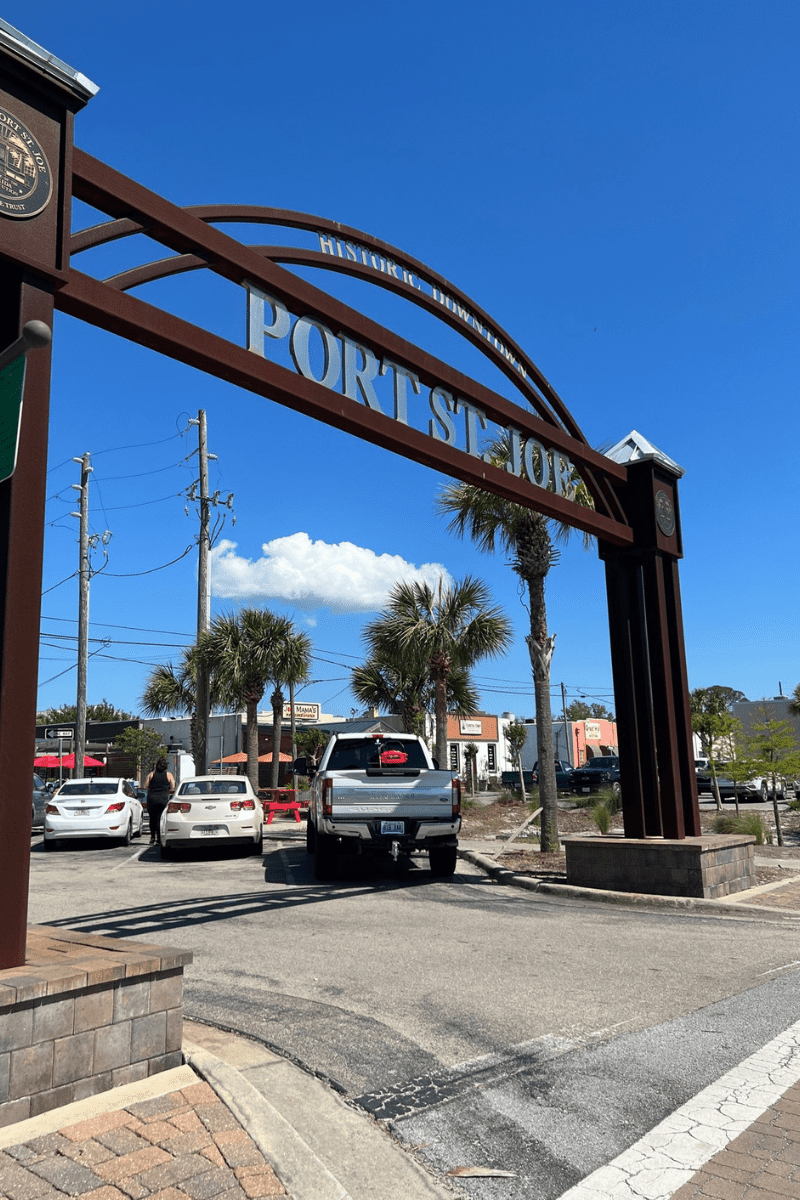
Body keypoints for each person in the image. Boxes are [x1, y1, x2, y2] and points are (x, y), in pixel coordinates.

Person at [144, 757, 175, 844]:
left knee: (152, 818)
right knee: (161, 818)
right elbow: (172, 786)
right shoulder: (169, 775)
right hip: (163, 799)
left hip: (152, 799)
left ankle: (152, 837)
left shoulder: (151, 775)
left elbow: (145, 786)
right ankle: (159, 838)